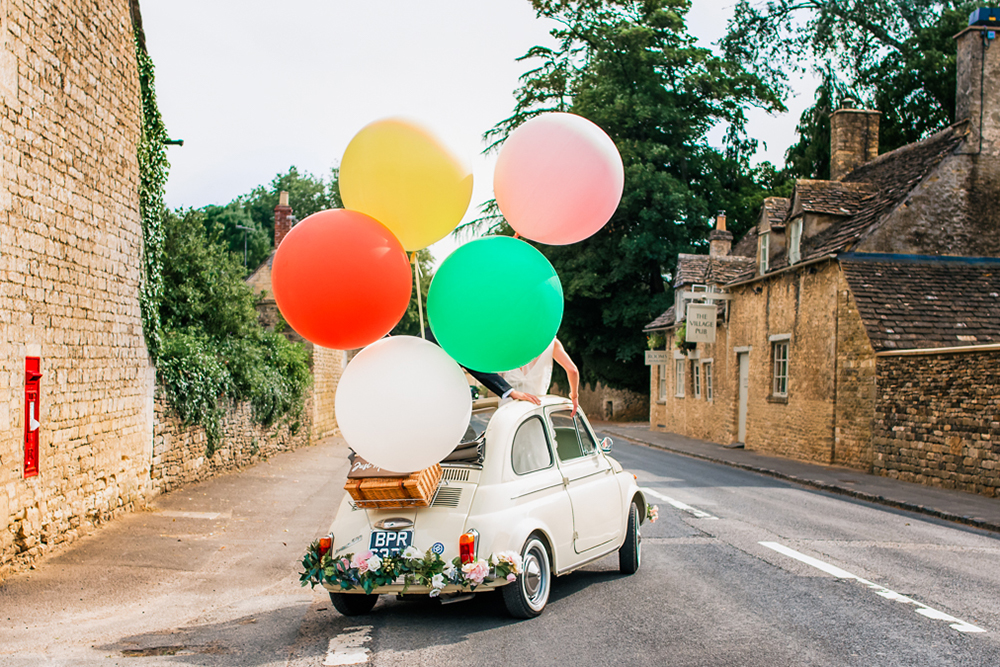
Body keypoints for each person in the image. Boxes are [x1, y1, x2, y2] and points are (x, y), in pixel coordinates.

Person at [500, 338, 580, 415]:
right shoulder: (551, 343)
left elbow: (496, 375)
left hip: (508, 412)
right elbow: (573, 370)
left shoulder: (510, 341)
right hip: (534, 411)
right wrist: (574, 396)